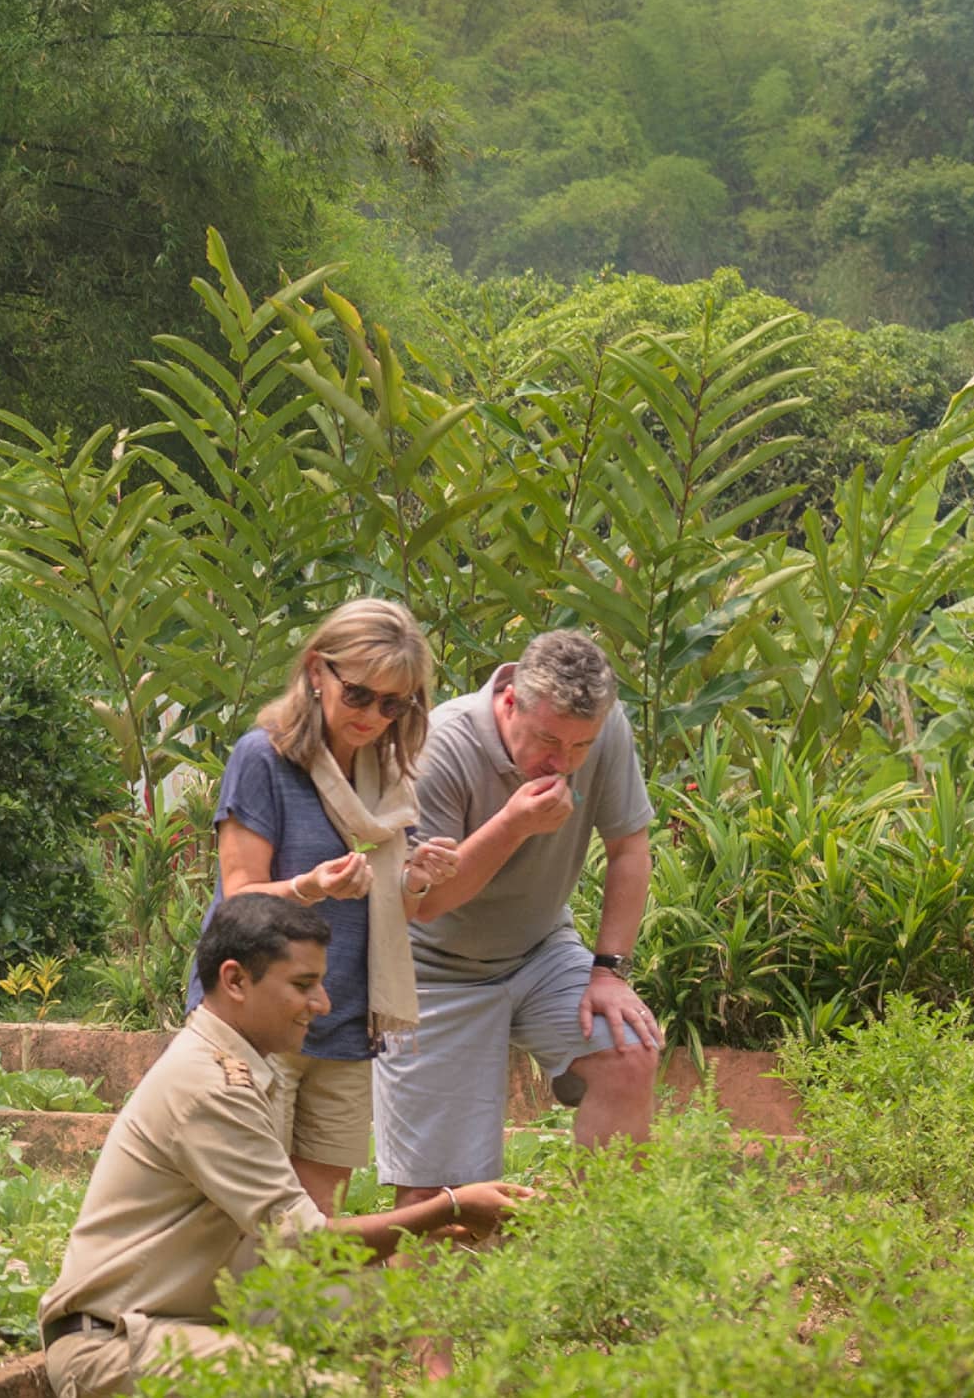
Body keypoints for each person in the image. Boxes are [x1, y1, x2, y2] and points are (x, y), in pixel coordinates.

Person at [41, 894, 530, 1398]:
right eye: (302, 985)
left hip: (183, 1321)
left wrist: (424, 1235)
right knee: (326, 1388)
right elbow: (307, 1243)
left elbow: (284, 1246)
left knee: (376, 1302)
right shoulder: (208, 1086)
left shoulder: (238, 1068)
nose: (323, 1004)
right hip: (112, 1346)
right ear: (235, 981)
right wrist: (447, 1206)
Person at [187, 598, 459, 1212]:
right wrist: (311, 887)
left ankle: (297, 1314)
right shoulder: (264, 757)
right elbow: (239, 900)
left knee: (315, 1221)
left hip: (342, 1018)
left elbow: (392, 916)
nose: (373, 716)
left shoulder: (384, 776)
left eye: (395, 704)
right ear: (316, 670)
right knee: (247, 1213)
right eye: (360, 694)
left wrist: (414, 879)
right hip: (257, 1015)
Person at [373, 629, 662, 1204]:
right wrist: (512, 826)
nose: (565, 763)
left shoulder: (600, 731)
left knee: (630, 1054)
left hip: (539, 951)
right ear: (510, 704)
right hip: (431, 969)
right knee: (438, 1199)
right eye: (549, 742)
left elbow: (631, 849)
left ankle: (605, 1262)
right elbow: (425, 904)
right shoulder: (438, 750)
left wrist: (608, 972)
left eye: (581, 748)